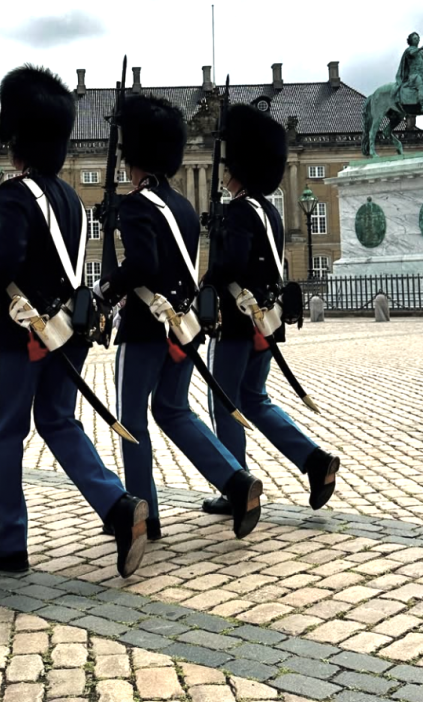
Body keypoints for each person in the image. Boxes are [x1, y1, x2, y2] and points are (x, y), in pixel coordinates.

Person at [0, 64, 148, 579]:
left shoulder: (15, 194)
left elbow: (5, 259)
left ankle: (9, 542)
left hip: (23, 332)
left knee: (5, 432)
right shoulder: (70, 198)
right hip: (68, 329)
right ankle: (116, 505)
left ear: (16, 139)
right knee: (58, 421)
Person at [96, 93, 263, 542]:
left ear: (134, 156)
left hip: (144, 328)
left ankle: (144, 516)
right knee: (173, 409)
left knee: (132, 420)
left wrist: (105, 290)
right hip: (182, 328)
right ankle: (236, 479)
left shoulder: (137, 205)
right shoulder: (184, 207)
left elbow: (142, 266)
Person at [201, 103, 340, 517]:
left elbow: (231, 264)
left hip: (235, 322)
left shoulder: (239, 211)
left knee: (226, 402)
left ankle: (236, 484)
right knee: (255, 399)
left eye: (228, 169)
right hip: (265, 320)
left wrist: (206, 279)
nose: (224, 176)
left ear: (237, 170)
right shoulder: (270, 211)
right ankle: (314, 459)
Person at [395, 32, 423, 110]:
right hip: (413, 75)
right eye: (414, 38)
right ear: (410, 40)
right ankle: (422, 104)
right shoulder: (409, 49)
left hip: (421, 74)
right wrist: (421, 48)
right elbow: (412, 54)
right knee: (420, 84)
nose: (417, 40)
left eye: (418, 38)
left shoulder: (420, 52)